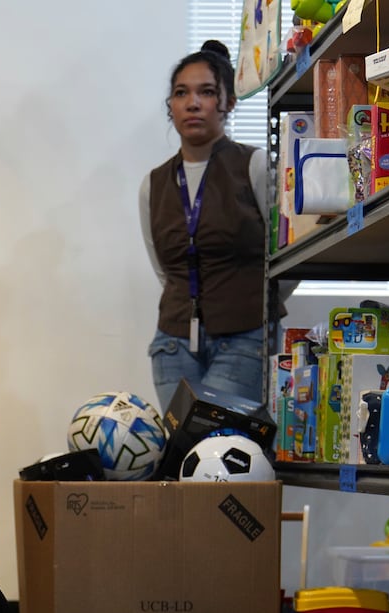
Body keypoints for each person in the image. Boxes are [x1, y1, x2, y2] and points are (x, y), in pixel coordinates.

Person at [140, 39, 277, 417]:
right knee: (181, 457)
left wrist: (264, 305)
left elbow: (285, 254)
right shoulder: (153, 184)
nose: (193, 103)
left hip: (244, 336)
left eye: (207, 92)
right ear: (171, 106)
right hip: (172, 344)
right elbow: (163, 268)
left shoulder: (255, 166)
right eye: (181, 93)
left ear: (229, 102)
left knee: (216, 447)